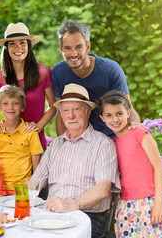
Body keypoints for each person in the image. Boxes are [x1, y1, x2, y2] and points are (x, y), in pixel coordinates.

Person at [32, 84, 120, 238]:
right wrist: (17, 198)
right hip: (52, 215)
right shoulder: (56, 145)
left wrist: (71, 204)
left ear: (88, 111)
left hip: (89, 218)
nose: (70, 115)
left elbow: (102, 190)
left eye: (76, 109)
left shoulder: (103, 145)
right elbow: (35, 181)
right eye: (65, 110)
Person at [98, 90, 162, 237]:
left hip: (150, 202)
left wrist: (158, 204)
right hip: (126, 205)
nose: (115, 119)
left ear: (128, 113)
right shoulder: (112, 144)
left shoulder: (139, 133)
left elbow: (159, 168)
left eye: (119, 113)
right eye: (109, 115)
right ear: (102, 118)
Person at [52, 19, 140, 138]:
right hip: (80, 138)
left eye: (79, 47)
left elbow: (127, 109)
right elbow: (61, 114)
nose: (73, 54)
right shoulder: (58, 72)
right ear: (61, 49)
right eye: (67, 48)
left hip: (112, 135)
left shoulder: (111, 70)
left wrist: (135, 131)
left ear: (88, 47)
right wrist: (62, 146)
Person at [0, 22, 56, 150]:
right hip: (9, 147)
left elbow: (53, 107)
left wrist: (38, 126)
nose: (17, 47)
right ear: (6, 48)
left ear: (28, 46)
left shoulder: (43, 73)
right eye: (12, 43)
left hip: (35, 143)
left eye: (22, 43)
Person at [0, 85, 44, 195]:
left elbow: (37, 165)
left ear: (22, 106)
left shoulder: (30, 132)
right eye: (5, 103)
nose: (11, 107)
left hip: (23, 190)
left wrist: (35, 190)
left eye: (15, 103)